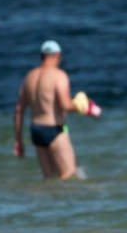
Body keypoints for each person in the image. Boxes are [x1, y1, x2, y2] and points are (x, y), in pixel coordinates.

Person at [13, 40, 83, 180]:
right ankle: (66, 202)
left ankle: (49, 201)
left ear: (42, 56)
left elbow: (19, 110)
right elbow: (65, 105)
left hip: (36, 131)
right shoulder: (59, 75)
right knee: (69, 173)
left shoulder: (30, 77)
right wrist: (82, 106)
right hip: (55, 129)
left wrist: (18, 140)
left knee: (49, 178)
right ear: (57, 55)